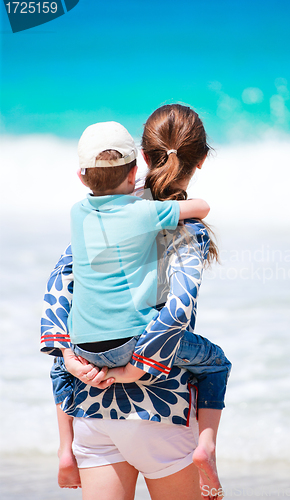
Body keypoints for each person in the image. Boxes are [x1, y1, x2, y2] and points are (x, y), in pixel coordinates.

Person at [41, 105, 230, 500]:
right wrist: (138, 367)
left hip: (91, 406)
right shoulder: (182, 229)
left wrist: (68, 356)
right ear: (202, 159)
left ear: (144, 157)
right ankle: (207, 447)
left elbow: (62, 284)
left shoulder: (93, 216)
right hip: (159, 406)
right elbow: (177, 310)